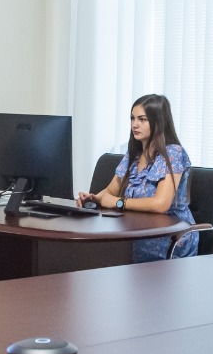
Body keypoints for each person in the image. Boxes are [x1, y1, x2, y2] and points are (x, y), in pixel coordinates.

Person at [78, 93, 197, 261]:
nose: (135, 124)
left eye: (142, 119)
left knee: (104, 255)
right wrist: (94, 199)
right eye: (132, 118)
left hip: (170, 237)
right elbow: (111, 191)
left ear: (158, 122)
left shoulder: (173, 153)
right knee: (90, 254)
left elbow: (160, 204)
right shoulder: (134, 154)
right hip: (137, 232)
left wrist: (119, 202)